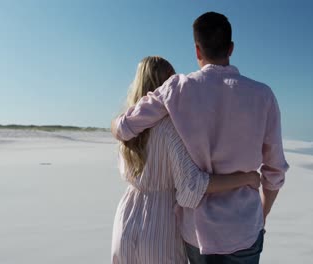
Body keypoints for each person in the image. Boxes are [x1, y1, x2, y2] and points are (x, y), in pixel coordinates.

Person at [112, 12, 289, 264]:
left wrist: (116, 124)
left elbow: (125, 127)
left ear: (197, 50)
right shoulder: (264, 96)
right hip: (245, 227)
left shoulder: (176, 88)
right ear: (231, 48)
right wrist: (262, 212)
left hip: (198, 231)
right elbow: (275, 170)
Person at [111, 56, 262, 264]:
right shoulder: (171, 129)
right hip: (160, 226)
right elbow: (191, 187)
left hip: (126, 220)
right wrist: (246, 177)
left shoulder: (126, 128)